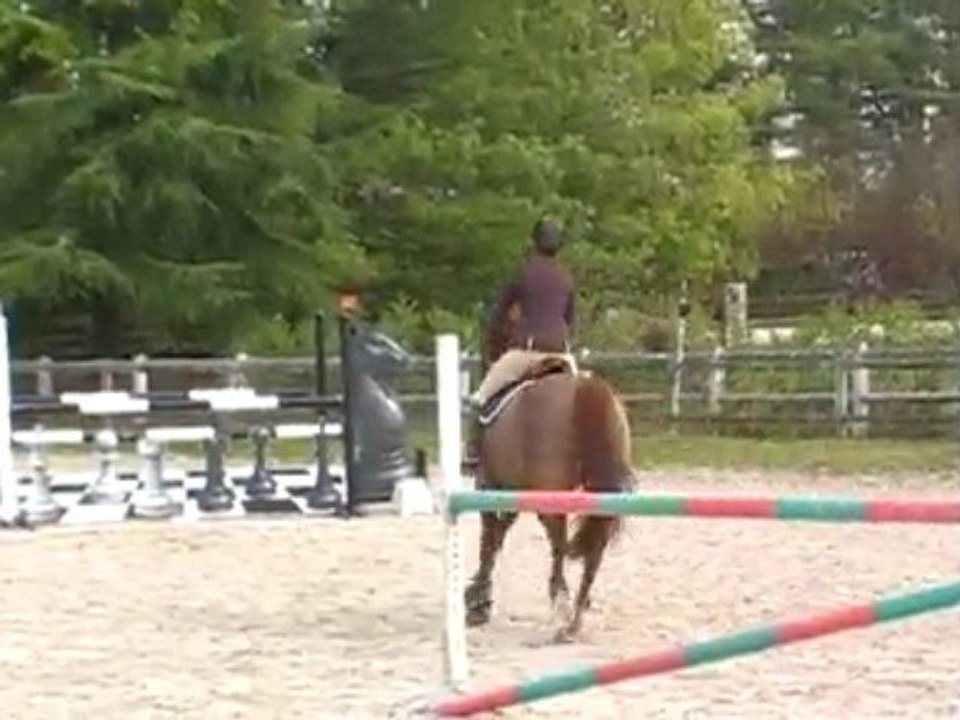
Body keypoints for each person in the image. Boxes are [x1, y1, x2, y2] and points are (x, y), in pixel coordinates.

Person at [463, 217, 578, 469]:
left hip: (528, 352)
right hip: (561, 354)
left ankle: (473, 450)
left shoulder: (522, 273)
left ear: (534, 241)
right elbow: (570, 319)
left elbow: (499, 313)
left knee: (481, 397)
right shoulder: (566, 278)